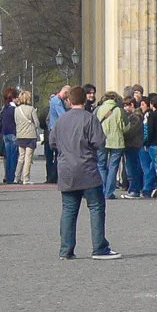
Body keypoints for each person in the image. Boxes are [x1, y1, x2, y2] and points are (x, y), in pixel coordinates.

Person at [50, 86, 121, 260]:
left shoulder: (60, 121)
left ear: (69, 101)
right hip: (87, 169)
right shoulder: (90, 119)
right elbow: (99, 142)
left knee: (69, 210)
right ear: (85, 100)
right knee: (96, 207)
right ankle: (99, 247)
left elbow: (52, 143)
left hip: (66, 170)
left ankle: (66, 250)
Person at [94, 91, 126, 200]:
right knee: (113, 167)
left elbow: (93, 124)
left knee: (101, 165)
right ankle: (109, 192)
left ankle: (102, 190)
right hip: (117, 141)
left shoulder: (98, 110)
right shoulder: (119, 110)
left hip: (101, 140)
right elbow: (126, 126)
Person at [120, 96, 144, 198]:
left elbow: (131, 131)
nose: (125, 108)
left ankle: (134, 190)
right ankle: (134, 189)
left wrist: (121, 132)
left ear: (132, 105)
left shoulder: (135, 117)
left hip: (133, 145)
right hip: (131, 145)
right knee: (131, 167)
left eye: (126, 105)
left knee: (132, 168)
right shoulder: (132, 116)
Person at [13, 90, 40, 184]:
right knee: (28, 158)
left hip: (20, 135)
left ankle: (17, 177)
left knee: (21, 157)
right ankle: (26, 178)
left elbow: (16, 121)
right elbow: (37, 123)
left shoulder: (16, 109)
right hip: (30, 135)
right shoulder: (31, 109)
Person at [45, 85, 69, 182]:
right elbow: (63, 115)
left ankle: (52, 176)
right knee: (59, 154)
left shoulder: (56, 100)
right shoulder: (57, 101)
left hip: (54, 129)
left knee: (56, 155)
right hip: (57, 130)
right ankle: (53, 176)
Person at [0, 88, 19, 185]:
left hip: (5, 134)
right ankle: (11, 177)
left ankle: (7, 176)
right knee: (13, 156)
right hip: (13, 133)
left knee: (8, 156)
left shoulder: (4, 108)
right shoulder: (14, 109)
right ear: (14, 98)